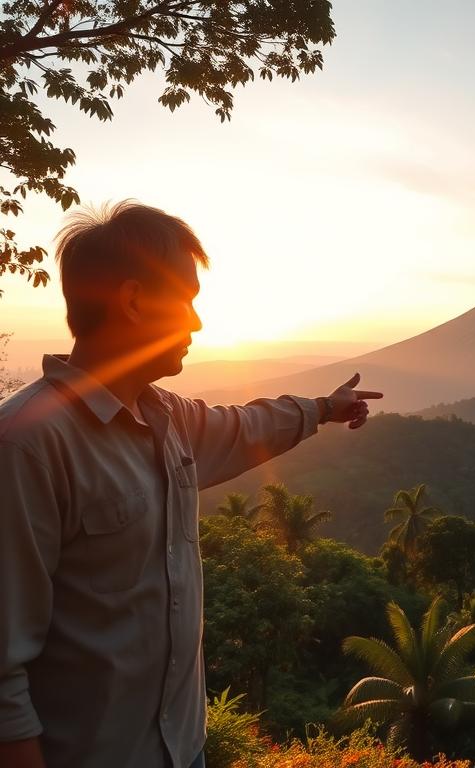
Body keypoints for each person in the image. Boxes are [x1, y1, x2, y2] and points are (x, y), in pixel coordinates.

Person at [0, 201, 383, 768]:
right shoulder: (28, 444)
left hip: (182, 749)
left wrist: (325, 407)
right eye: (186, 301)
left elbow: (247, 423)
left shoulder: (167, 418)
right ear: (132, 301)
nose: (197, 323)